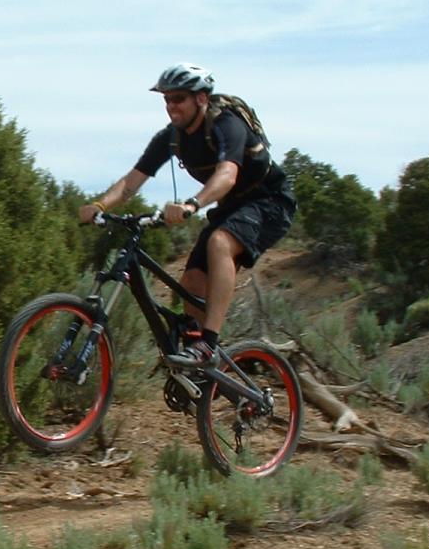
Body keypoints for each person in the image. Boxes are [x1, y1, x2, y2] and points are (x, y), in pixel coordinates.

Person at [78, 63, 296, 367]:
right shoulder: (171, 137)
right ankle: (195, 361)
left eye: (178, 98)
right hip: (232, 206)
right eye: (166, 99)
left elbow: (228, 174)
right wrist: (100, 205)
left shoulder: (227, 124)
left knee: (219, 243)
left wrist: (192, 205)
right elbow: (132, 181)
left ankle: (209, 343)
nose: (171, 106)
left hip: (270, 201)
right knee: (192, 280)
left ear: (201, 99)